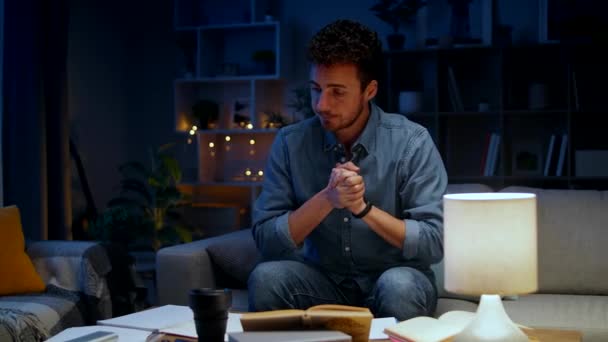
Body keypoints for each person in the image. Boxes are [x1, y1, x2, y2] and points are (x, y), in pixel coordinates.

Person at [247, 19, 447, 321]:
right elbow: (267, 240)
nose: (321, 105)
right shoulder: (290, 143)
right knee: (265, 278)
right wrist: (327, 199)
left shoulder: (412, 142)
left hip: (394, 278)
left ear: (370, 90)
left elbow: (434, 242)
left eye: (337, 92)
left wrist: (363, 209)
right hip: (322, 281)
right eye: (316, 90)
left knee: (399, 286)